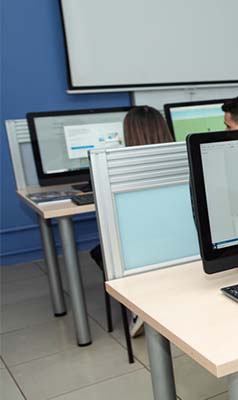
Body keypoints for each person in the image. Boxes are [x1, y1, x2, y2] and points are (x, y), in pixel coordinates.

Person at [90, 105, 176, 338]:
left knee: (100, 250)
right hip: (179, 241)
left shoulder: (118, 168)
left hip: (140, 248)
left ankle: (138, 305)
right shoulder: (180, 158)